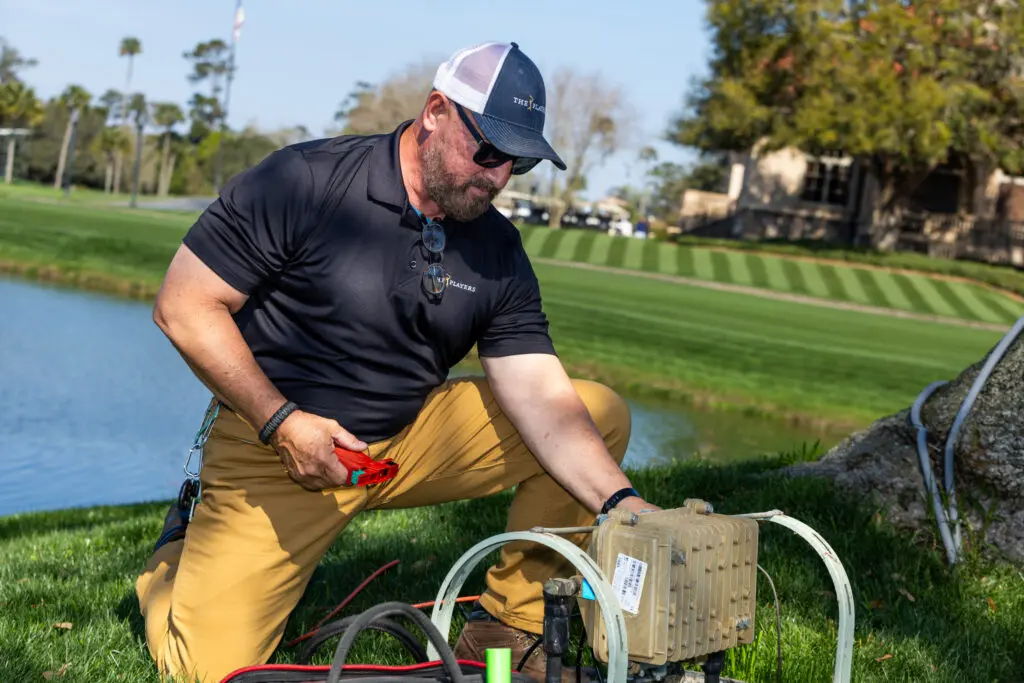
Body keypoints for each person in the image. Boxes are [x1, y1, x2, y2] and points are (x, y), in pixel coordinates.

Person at [136, 40, 659, 683]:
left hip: (408, 440)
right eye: (488, 150)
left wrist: (621, 504)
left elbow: (535, 386)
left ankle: (509, 624)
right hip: (280, 448)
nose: (497, 176)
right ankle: (169, 567)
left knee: (596, 412)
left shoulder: (498, 246)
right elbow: (185, 307)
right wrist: (282, 423)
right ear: (436, 111)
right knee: (205, 672)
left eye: (517, 162)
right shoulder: (306, 180)